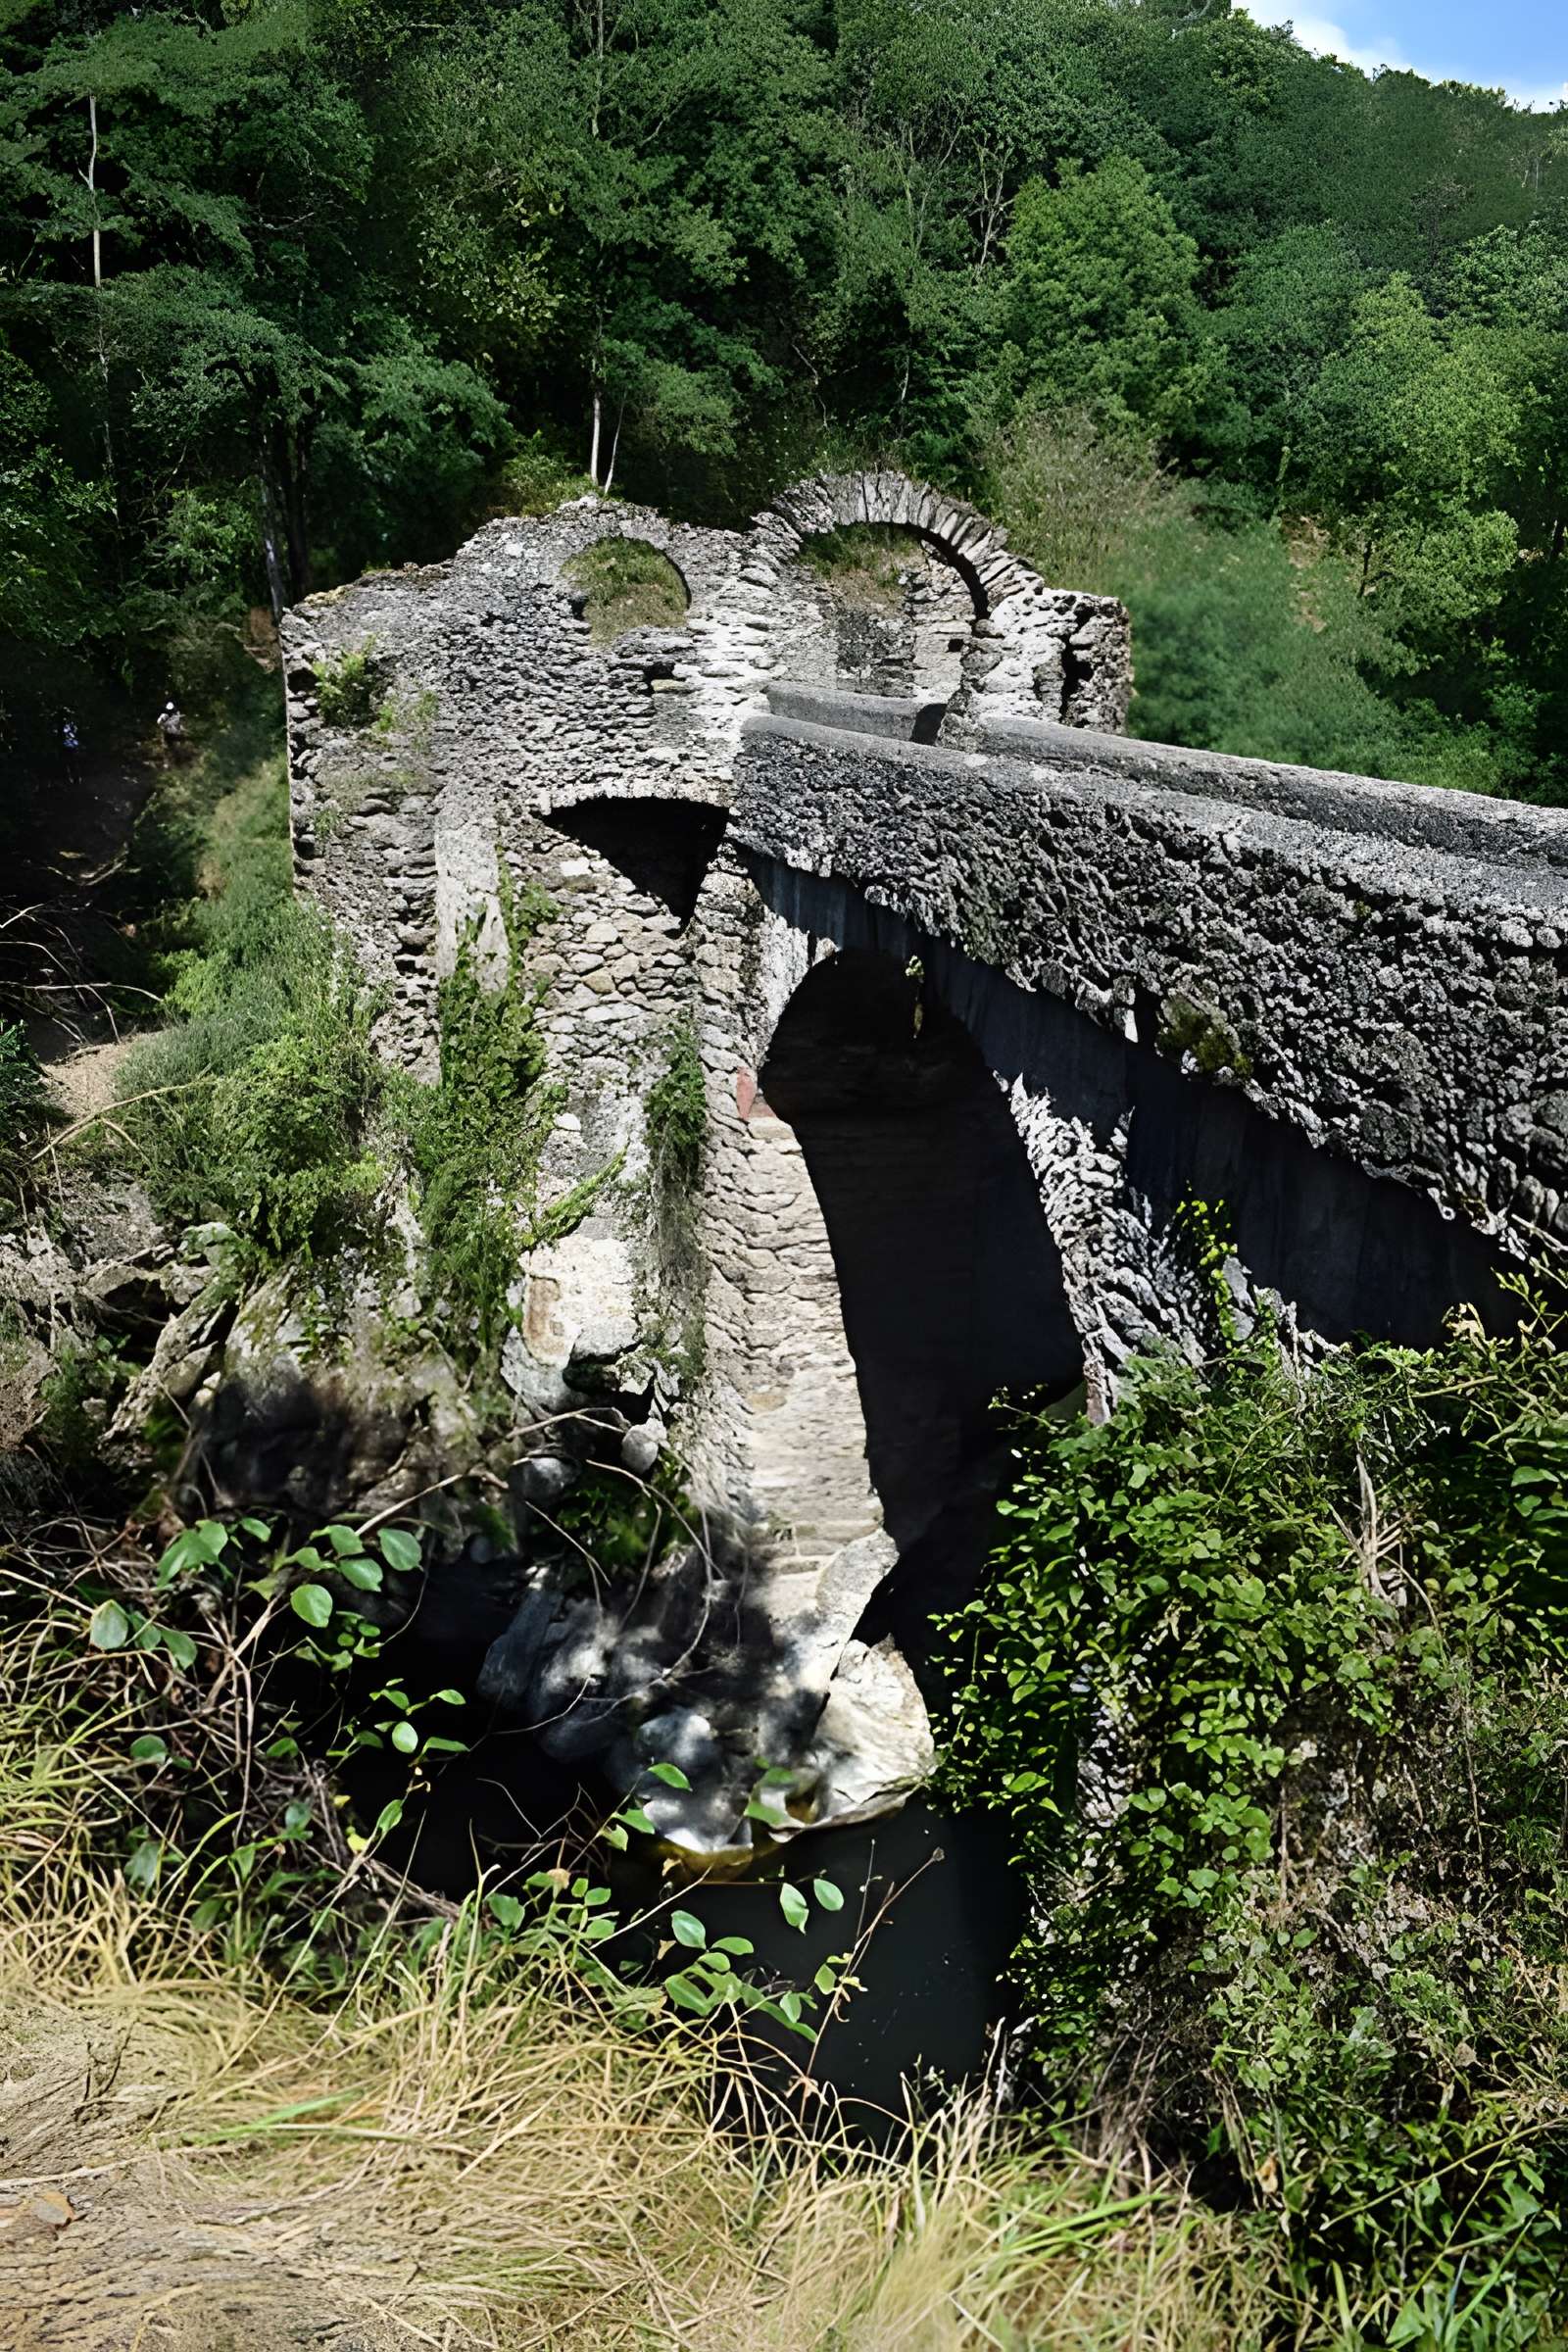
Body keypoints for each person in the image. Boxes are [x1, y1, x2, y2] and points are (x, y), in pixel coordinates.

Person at [155, 699, 185, 767]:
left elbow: (178, 719)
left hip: (172, 731)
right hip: (169, 731)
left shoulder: (175, 711)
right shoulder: (164, 712)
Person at [60, 710, 82, 786]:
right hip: (69, 746)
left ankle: (74, 779)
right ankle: (71, 779)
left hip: (71, 746)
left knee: (73, 763)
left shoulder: (72, 724)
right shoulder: (67, 725)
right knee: (70, 763)